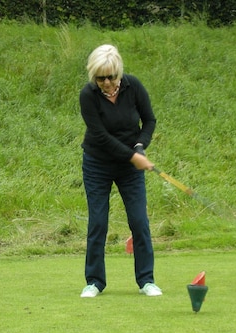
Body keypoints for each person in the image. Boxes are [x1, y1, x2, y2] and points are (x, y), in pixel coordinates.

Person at [79, 44, 162, 298]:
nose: (106, 82)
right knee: (98, 223)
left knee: (139, 222)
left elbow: (149, 120)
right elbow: (100, 136)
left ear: (119, 73)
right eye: (100, 78)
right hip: (97, 165)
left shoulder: (133, 86)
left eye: (111, 77)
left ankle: (146, 280)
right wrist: (132, 156)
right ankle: (94, 282)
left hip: (129, 168)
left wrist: (139, 147)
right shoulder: (88, 95)